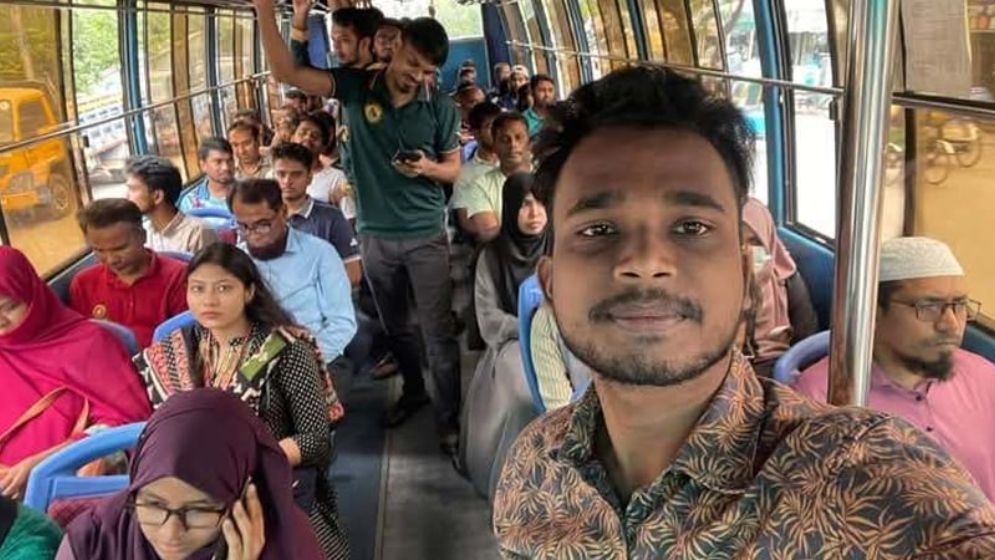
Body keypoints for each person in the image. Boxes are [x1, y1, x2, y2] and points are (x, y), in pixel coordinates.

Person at [492, 66, 995, 557]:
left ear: (744, 271)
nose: (645, 263)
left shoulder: (867, 488)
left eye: (691, 227)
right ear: (551, 284)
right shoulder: (533, 469)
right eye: (599, 230)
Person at [259, 1, 463, 454]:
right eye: (412, 63)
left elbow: (454, 169)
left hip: (425, 233)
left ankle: (450, 423)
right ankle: (414, 391)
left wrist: (427, 167)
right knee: (397, 328)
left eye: (427, 71)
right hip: (373, 234)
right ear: (395, 46)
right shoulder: (356, 87)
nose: (416, 76)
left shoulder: (439, 107)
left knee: (437, 334)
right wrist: (266, 10)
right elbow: (287, 72)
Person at [132, 246, 348, 558]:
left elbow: (317, 442)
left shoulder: (287, 351)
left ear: (248, 292)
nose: (209, 300)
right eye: (198, 289)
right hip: (193, 496)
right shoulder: (174, 352)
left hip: (269, 487)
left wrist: (247, 463)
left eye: (224, 288)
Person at [793, 236, 995, 502]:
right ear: (873, 310)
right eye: (929, 306)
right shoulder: (822, 395)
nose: (951, 324)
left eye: (959, 305)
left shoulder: (984, 377)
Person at [60, 389, 326, 560]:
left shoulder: (289, 547)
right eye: (153, 505)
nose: (170, 533)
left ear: (243, 493)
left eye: (197, 510)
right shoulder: (94, 540)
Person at [0, 247, 151, 501]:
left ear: (33, 296)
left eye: (9, 307)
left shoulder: (89, 343)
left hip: (66, 479)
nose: (1, 320)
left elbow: (126, 421)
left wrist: (45, 466)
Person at [228, 179, 356, 375]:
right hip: (254, 365)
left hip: (317, 358)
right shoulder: (235, 262)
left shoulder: (320, 254)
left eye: (262, 225)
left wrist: (298, 362)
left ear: (283, 212)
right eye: (243, 226)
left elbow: (342, 324)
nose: (253, 235)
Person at [69, 199, 188, 347]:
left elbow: (186, 338)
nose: (111, 259)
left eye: (120, 248)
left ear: (143, 236)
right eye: (99, 250)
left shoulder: (179, 276)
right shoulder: (83, 283)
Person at [741, 197, 817, 375]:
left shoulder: (785, 276)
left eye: (755, 242)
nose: (747, 251)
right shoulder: (707, 284)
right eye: (737, 242)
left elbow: (807, 338)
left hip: (780, 365)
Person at [272, 142, 362, 286]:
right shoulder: (262, 217)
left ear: (310, 178)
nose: (287, 181)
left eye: (296, 174)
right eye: (281, 174)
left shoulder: (332, 218)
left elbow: (353, 273)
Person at [125, 155, 220, 255]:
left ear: (157, 196)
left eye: (133, 189)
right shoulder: (142, 232)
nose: (126, 196)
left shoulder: (198, 233)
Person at [460, 112, 532, 241]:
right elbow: (489, 233)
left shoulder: (546, 177)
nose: (513, 144)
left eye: (519, 137)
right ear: (495, 145)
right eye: (504, 139)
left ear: (528, 141)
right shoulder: (480, 186)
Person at [452, 102, 501, 234]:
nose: (498, 132)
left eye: (500, 125)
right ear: (476, 133)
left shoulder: (516, 162)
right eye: (490, 127)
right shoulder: (465, 174)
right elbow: (465, 221)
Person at [178, 138, 236, 213]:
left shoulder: (247, 193)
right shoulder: (190, 202)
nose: (226, 167)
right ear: (203, 165)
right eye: (218, 162)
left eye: (229, 160)